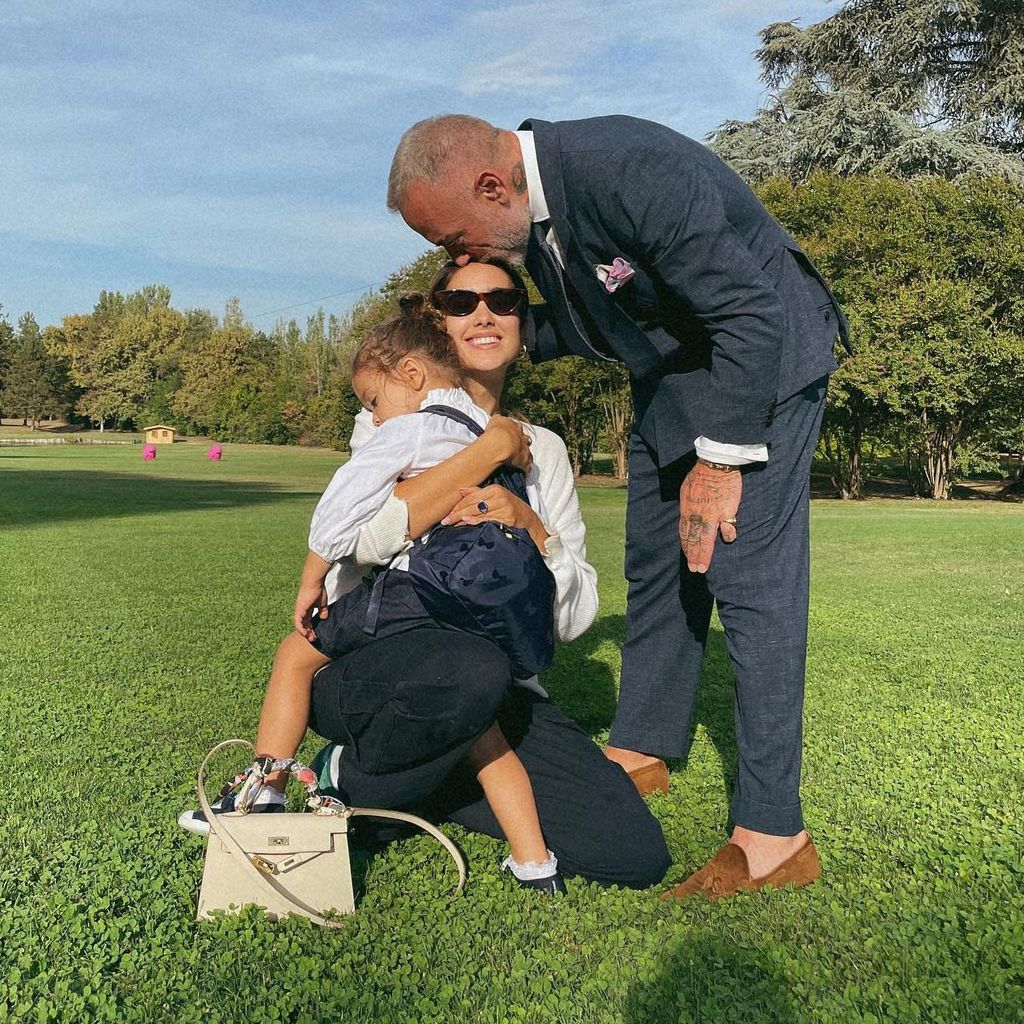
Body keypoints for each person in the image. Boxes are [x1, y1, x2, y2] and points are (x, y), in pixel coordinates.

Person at [387, 113, 850, 900]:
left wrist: (720, 460)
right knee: (657, 562)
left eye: (453, 238)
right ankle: (643, 747)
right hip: (676, 378)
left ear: (492, 185)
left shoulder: (625, 169)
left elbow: (749, 310)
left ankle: (775, 833)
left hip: (761, 369)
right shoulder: (531, 215)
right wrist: (480, 324)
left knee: (748, 582)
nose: (458, 257)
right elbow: (601, 322)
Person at [181, 295, 571, 891]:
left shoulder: (413, 430)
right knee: (484, 734)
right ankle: (535, 861)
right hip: (477, 615)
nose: (376, 418)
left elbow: (341, 516)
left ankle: (265, 792)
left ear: (411, 376)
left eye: (373, 401)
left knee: (295, 653)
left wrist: (313, 577)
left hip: (417, 594)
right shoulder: (500, 441)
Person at [306, 257, 670, 890]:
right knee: (470, 670)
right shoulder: (387, 422)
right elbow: (354, 542)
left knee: (630, 851)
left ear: (522, 326)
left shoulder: (545, 449)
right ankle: (348, 769)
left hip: (497, 688)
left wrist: (529, 525)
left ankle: (406, 785)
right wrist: (486, 452)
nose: (482, 314)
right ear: (435, 326)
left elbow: (576, 617)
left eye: (503, 301)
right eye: (461, 302)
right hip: (381, 668)